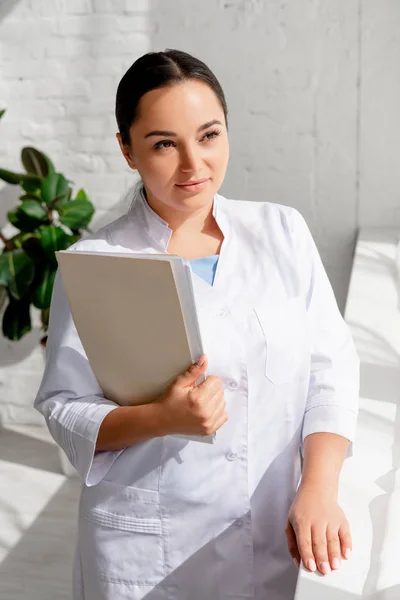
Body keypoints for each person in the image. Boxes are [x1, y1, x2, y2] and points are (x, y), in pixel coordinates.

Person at [34, 49, 360, 600]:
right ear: (126, 149)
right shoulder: (97, 261)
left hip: (270, 534)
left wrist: (320, 487)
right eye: (164, 143)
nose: (194, 165)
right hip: (148, 553)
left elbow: (330, 366)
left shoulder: (281, 232)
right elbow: (64, 407)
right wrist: (159, 417)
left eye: (208, 135)